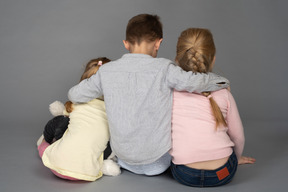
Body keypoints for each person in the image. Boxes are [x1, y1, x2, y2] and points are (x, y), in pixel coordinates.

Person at [68, 14, 230, 176]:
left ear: (126, 44)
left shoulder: (106, 71)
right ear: (158, 43)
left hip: (123, 158)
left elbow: (74, 94)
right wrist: (222, 82)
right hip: (159, 163)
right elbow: (195, 82)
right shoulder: (165, 68)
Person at [169, 28, 255, 187]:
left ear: (177, 59)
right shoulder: (224, 93)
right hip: (223, 172)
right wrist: (237, 157)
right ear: (213, 59)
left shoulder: (170, 94)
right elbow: (238, 137)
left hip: (185, 173)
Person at [37, 57, 120, 181]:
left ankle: (44, 142)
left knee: (61, 121)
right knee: (110, 138)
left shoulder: (77, 103)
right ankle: (103, 164)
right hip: (87, 172)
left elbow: (65, 114)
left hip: (56, 166)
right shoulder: (114, 109)